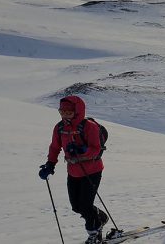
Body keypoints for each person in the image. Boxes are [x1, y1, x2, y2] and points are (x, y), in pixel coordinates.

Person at [38, 95, 109, 244]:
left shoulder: (90, 126)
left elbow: (96, 149)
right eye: (62, 112)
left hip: (92, 170)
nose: (64, 115)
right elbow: (55, 147)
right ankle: (100, 218)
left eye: (68, 113)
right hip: (73, 171)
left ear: (77, 111)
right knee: (76, 206)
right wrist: (50, 164)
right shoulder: (59, 128)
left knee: (85, 205)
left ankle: (94, 233)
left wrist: (82, 150)